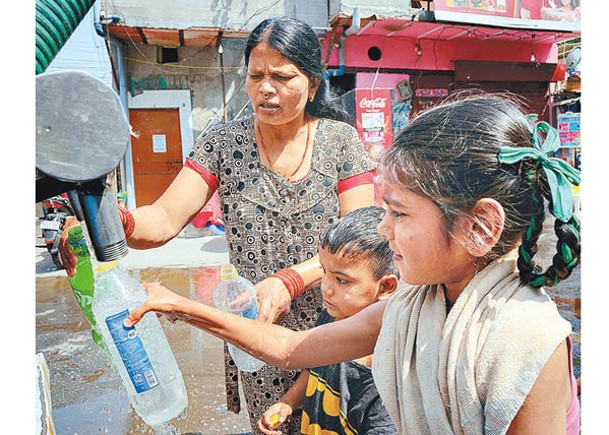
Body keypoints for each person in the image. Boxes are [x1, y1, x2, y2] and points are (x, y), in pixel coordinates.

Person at [124, 93, 581, 433]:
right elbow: (289, 348)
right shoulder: (419, 304)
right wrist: (180, 306)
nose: (383, 229)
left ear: (478, 226)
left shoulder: (526, 343)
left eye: (399, 213)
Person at [60, 16, 375, 434]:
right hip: (253, 325)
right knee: (272, 425)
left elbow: (362, 244)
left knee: (334, 422)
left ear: (313, 84)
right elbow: (166, 219)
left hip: (335, 320)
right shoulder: (223, 143)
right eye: (256, 75)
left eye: (282, 76)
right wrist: (112, 221)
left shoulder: (342, 142)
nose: (265, 88)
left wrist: (291, 281)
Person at [256, 206, 398, 434]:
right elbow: (314, 368)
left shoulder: (384, 363)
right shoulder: (331, 316)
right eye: (324, 272)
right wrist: (288, 402)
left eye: (342, 280)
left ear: (386, 286)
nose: (326, 288)